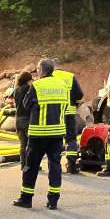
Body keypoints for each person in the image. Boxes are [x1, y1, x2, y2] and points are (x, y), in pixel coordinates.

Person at [14, 59, 69, 209]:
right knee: (55, 166)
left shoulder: (37, 86)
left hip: (39, 133)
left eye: (37, 70)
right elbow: (66, 107)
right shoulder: (62, 85)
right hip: (58, 132)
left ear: (41, 71)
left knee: (31, 166)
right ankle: (53, 201)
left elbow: (25, 105)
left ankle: (26, 199)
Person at [52, 60, 84, 173]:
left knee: (56, 139)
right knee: (71, 139)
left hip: (54, 114)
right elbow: (79, 95)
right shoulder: (70, 76)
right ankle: (71, 166)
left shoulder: (49, 76)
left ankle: (55, 166)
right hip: (69, 113)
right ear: (62, 66)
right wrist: (76, 103)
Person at [13, 71, 34, 170]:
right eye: (31, 80)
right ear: (27, 80)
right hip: (27, 119)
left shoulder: (16, 90)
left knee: (22, 144)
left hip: (18, 119)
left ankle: (23, 165)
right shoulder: (29, 89)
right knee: (31, 143)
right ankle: (30, 165)